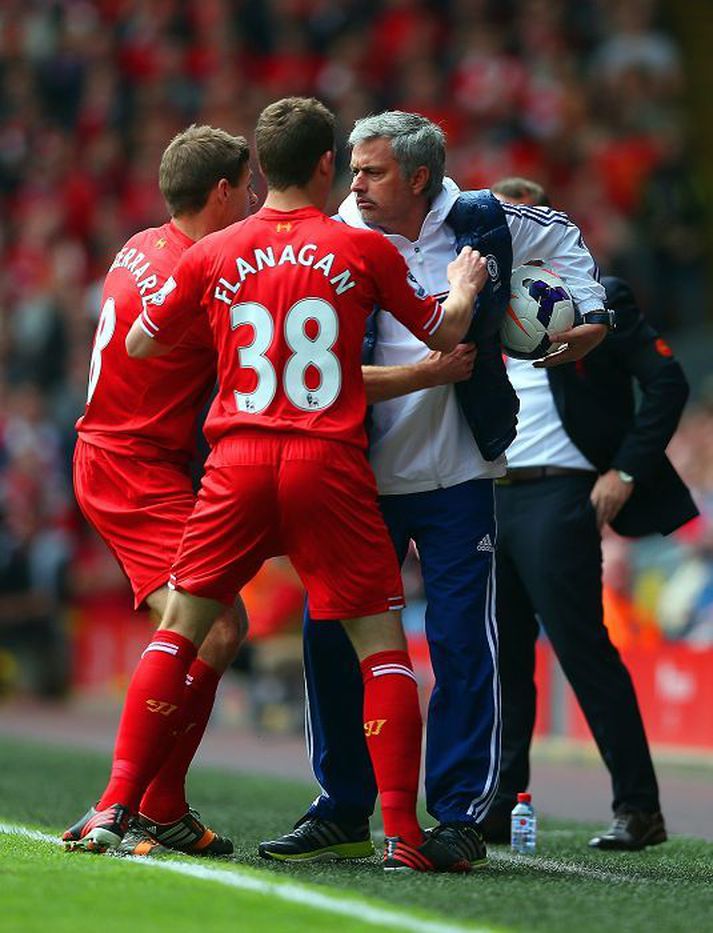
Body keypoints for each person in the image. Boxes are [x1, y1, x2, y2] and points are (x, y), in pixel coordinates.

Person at [69, 97, 491, 873]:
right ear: (327, 165)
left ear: (261, 172)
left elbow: (136, 337)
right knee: (379, 647)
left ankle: (116, 804)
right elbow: (444, 330)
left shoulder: (206, 252)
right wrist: (463, 285)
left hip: (232, 464)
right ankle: (401, 832)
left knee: (185, 629)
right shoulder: (360, 248)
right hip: (326, 464)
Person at [260, 111, 612, 865]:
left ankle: (455, 813)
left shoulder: (485, 216)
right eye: (352, 169)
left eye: (372, 171)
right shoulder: (331, 238)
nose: (354, 184)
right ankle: (343, 803)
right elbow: (321, 375)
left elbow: (567, 238)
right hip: (355, 476)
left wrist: (592, 314)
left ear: (419, 178)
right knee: (330, 639)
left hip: (459, 473)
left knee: (460, 644)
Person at [482, 176, 698, 849]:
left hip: (559, 493)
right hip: (489, 494)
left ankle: (638, 807)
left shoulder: (595, 297)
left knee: (581, 651)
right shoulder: (474, 303)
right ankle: (498, 805)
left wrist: (625, 470)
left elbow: (667, 380)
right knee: (503, 661)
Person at [63, 125, 255, 857]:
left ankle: (158, 802)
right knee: (213, 626)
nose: (257, 200)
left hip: (122, 454)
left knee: (217, 624)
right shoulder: (202, 270)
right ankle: (130, 803)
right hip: (131, 465)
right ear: (221, 193)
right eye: (248, 188)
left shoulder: (142, 243)